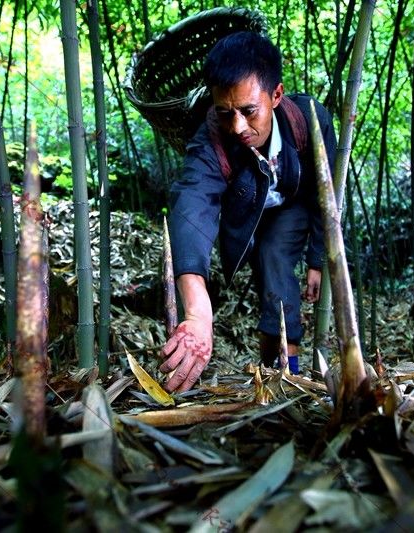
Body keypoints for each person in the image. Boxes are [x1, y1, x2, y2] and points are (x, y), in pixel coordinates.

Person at [159, 30, 337, 393]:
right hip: (245, 215)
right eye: (225, 113)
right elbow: (193, 204)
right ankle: (271, 367)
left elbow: (326, 191)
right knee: (267, 279)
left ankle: (289, 376)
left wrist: (319, 258)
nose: (238, 126)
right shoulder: (210, 140)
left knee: (274, 259)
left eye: (248, 111)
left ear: (276, 95)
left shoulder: (310, 119)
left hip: (292, 205)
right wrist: (197, 311)